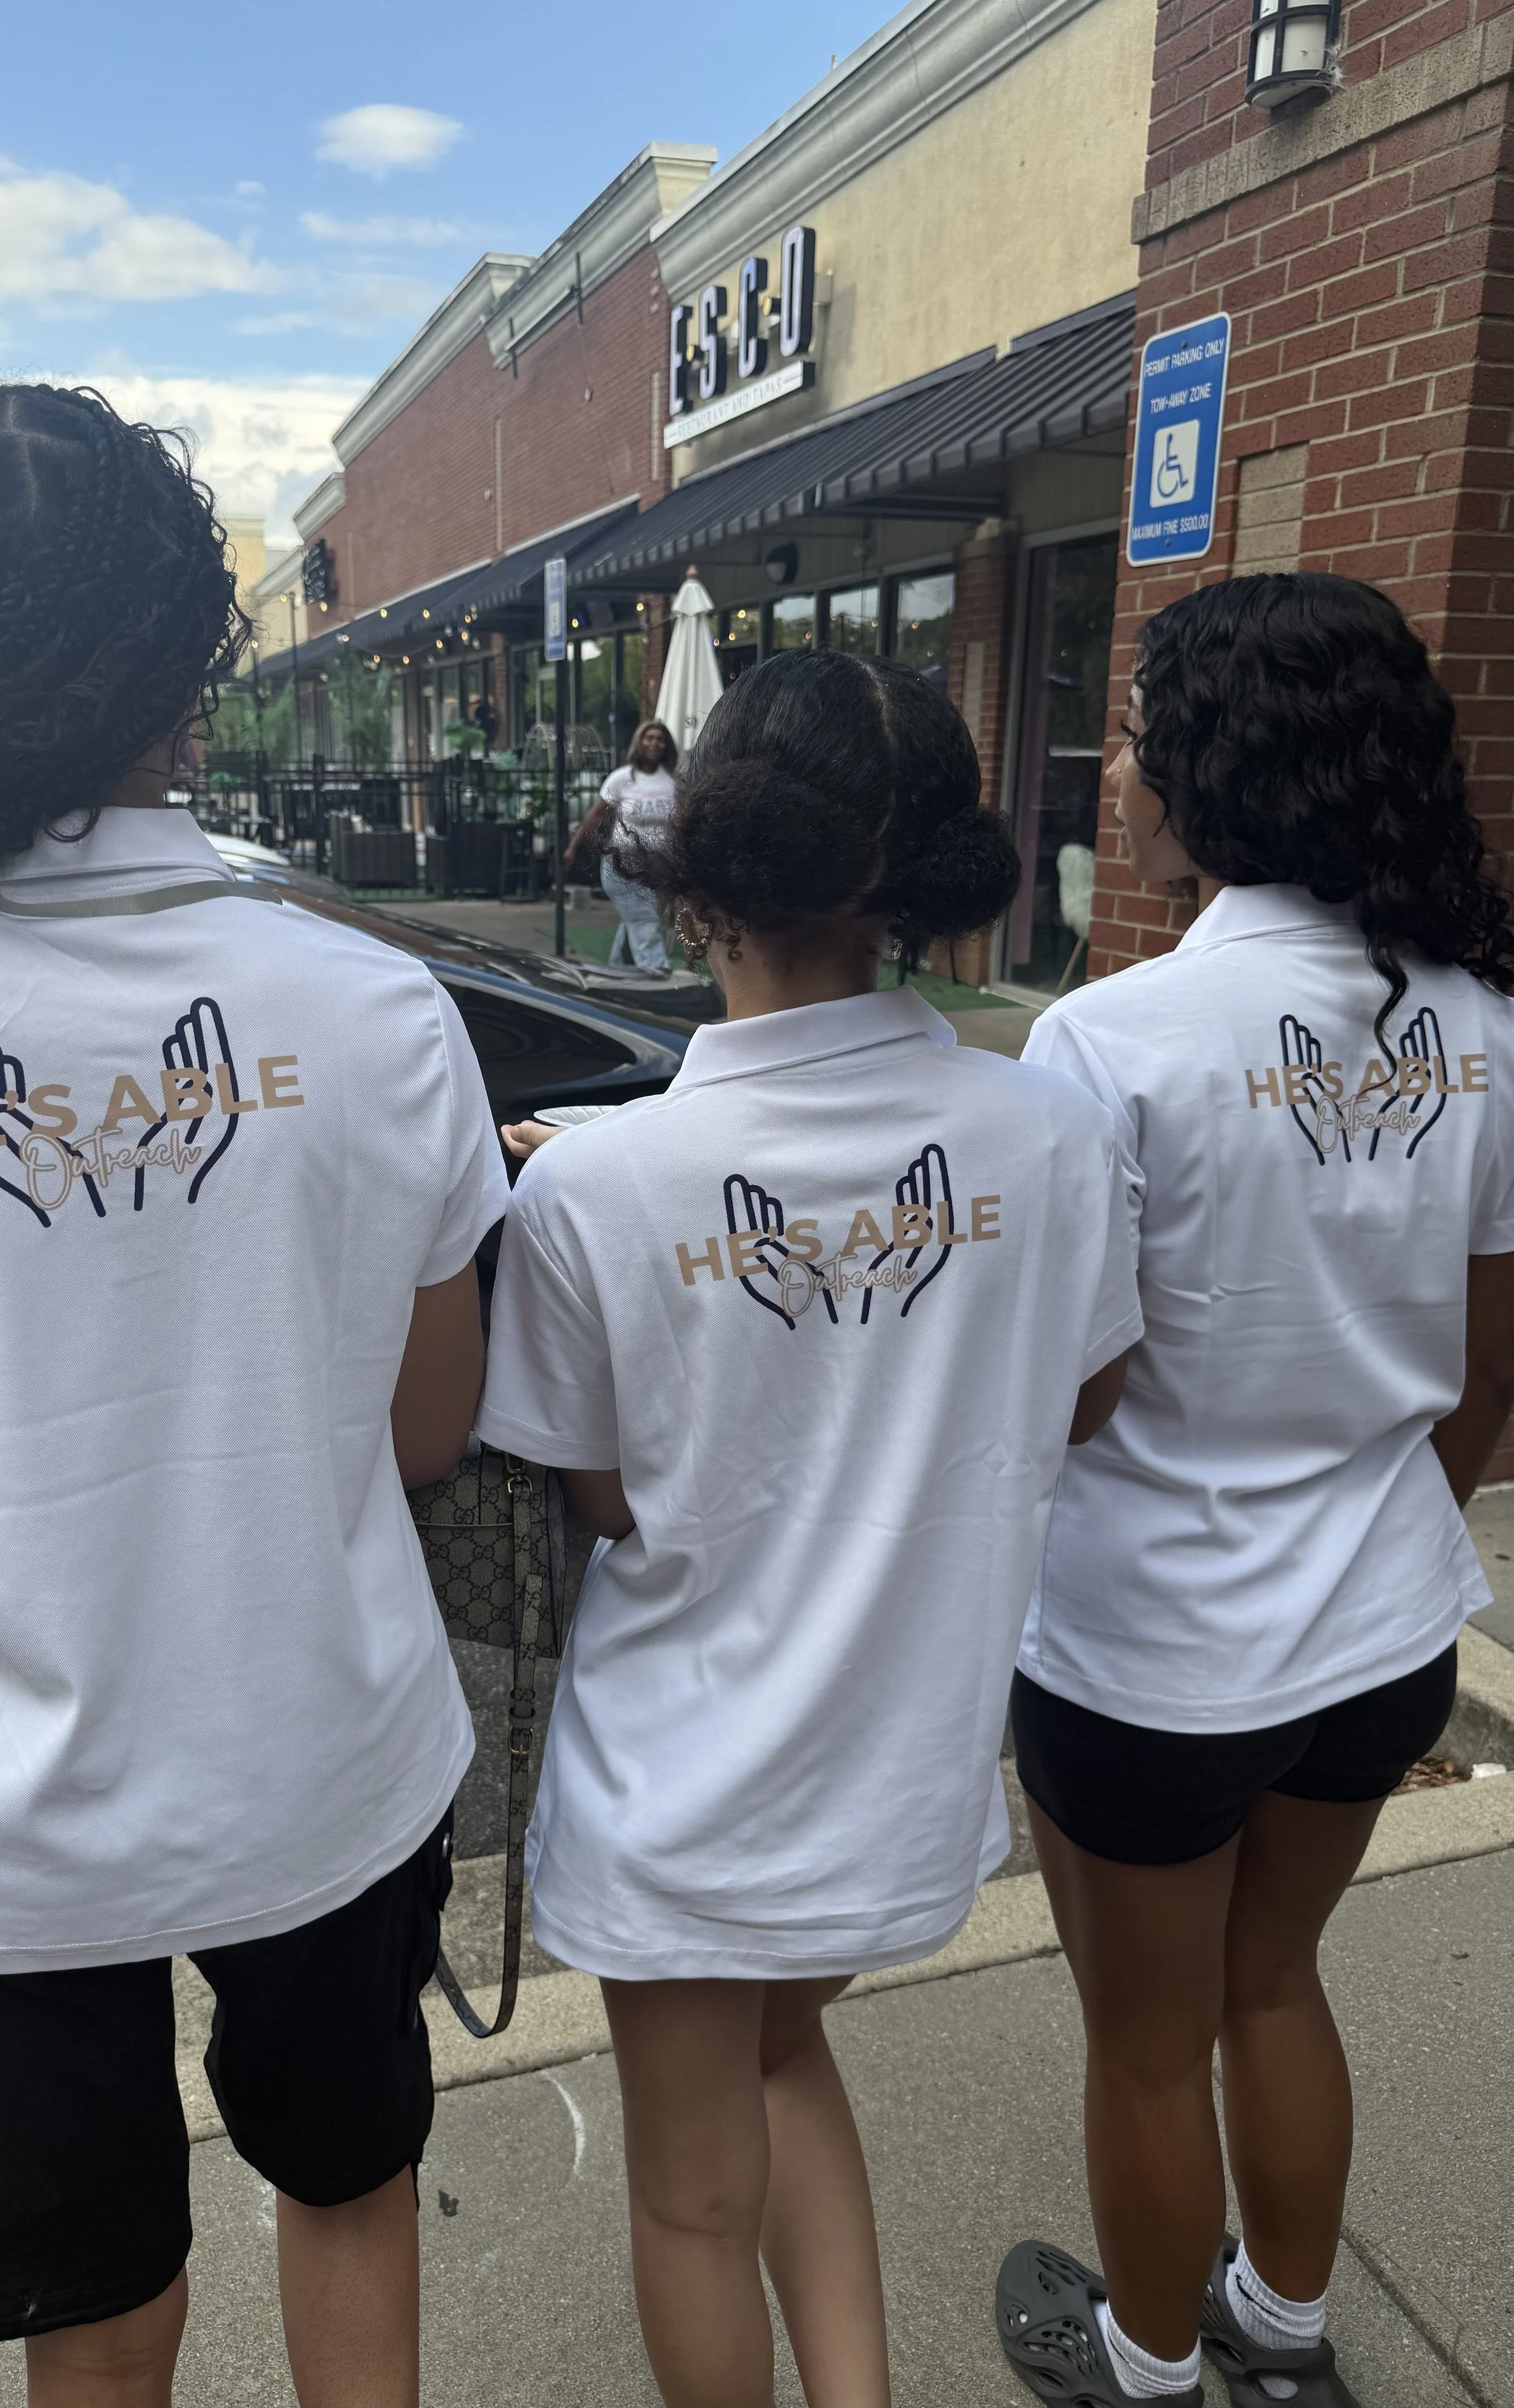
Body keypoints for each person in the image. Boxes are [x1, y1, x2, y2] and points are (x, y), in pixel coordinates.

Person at [0, 385, 506, 2407]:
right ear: (175, 666)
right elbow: (425, 1431)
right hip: (324, 1757)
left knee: (97, 2301)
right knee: (348, 2189)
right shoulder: (376, 1005)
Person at [483, 647, 1143, 2408]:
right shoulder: (1051, 1137)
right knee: (785, 2066)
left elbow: (603, 1494)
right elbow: (1080, 1398)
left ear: (698, 870)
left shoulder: (597, 1185)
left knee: (691, 2201)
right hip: (899, 1769)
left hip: (689, 1788)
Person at [997, 574, 1514, 2408]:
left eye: (1135, 728)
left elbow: (1081, 1396)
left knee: (1146, 2048)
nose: (1116, 765)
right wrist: (1375, 1514)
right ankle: (1283, 2344)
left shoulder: (1113, 1041)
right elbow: (1481, 1366)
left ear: (1214, 764)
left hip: (1148, 1645)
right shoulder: (1479, 1022)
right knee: (1275, 1985)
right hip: (1379, 1630)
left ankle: (1144, 2372)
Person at [597, 719, 678, 971]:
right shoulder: (622, 778)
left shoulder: (672, 783)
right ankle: (657, 971)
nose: (655, 743)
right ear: (639, 742)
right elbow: (596, 815)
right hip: (621, 864)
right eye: (649, 737)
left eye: (660, 739)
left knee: (635, 916)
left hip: (656, 866)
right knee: (643, 917)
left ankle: (618, 968)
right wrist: (572, 849)